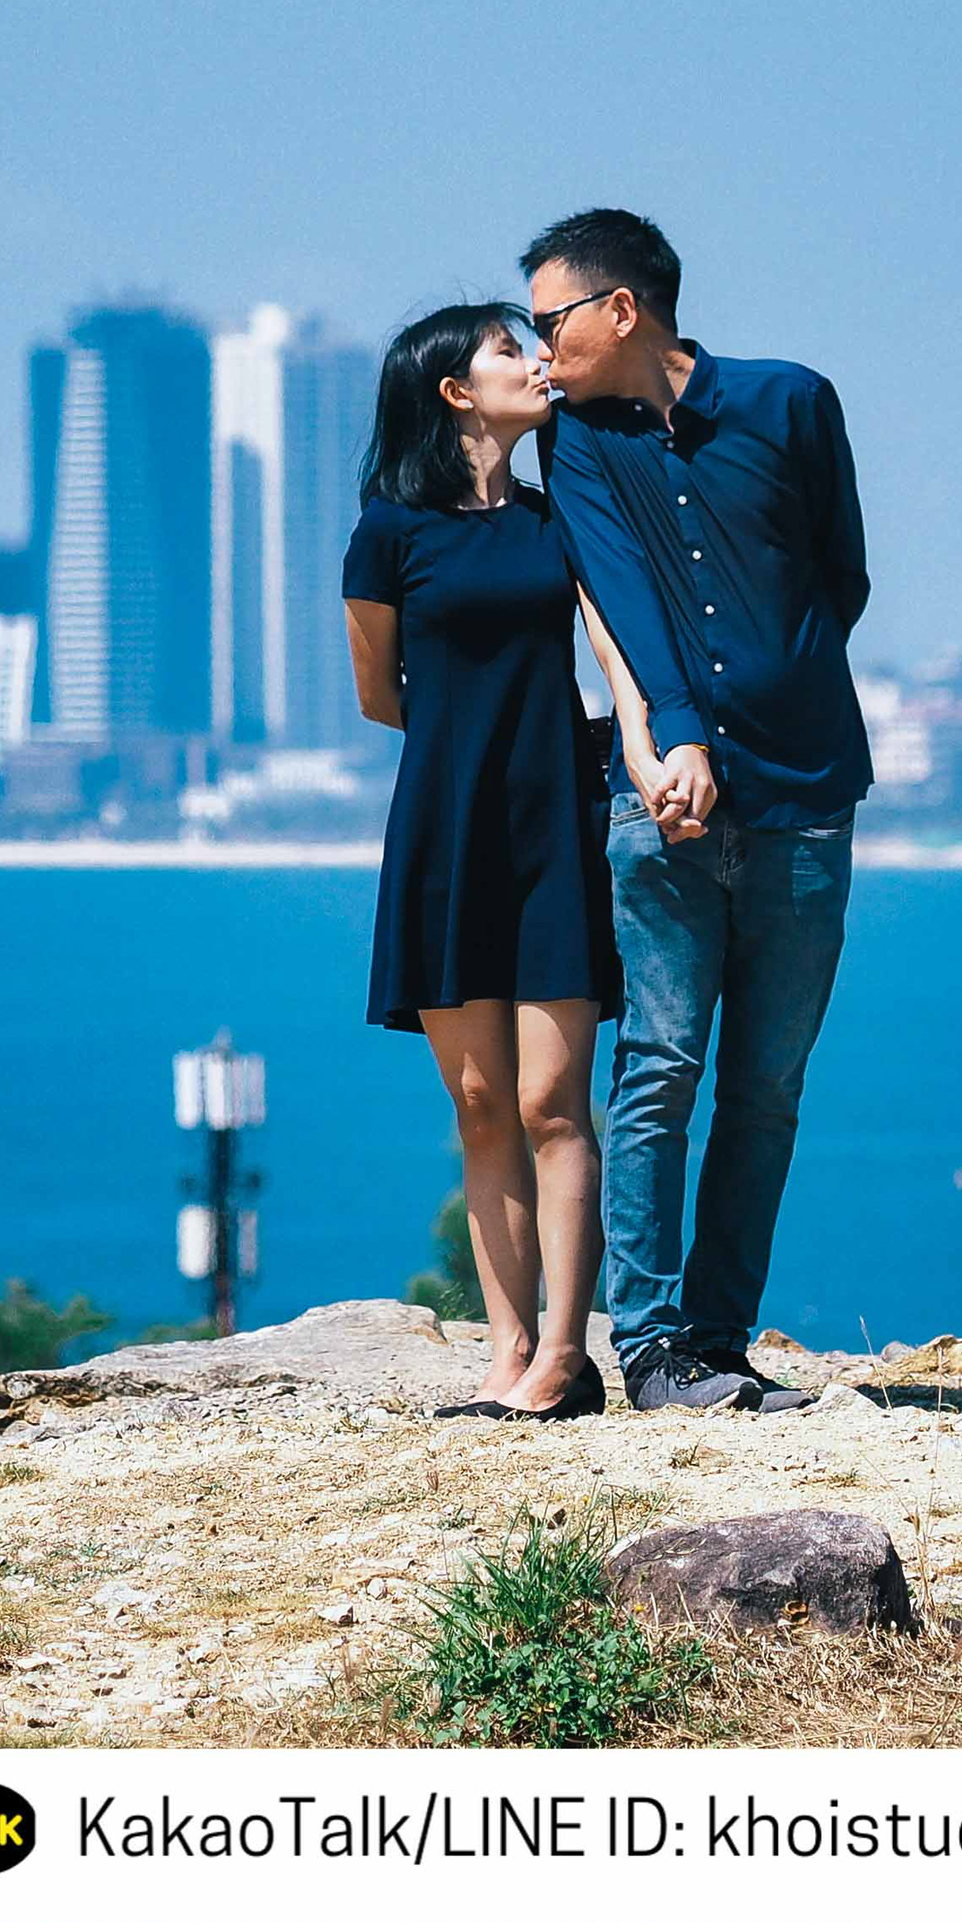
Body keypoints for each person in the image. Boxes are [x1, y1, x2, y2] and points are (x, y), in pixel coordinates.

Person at [525, 209, 869, 1414]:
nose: (537, 346)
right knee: (660, 1067)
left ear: (623, 310)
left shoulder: (792, 404)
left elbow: (842, 578)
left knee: (767, 1087)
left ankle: (722, 1342)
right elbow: (614, 593)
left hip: (810, 800)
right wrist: (678, 739)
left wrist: (774, 704)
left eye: (549, 319)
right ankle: (654, 1345)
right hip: (662, 806)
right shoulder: (575, 444)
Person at [342, 301, 622, 1422]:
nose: (536, 361)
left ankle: (565, 1353)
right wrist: (473, 750)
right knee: (477, 1100)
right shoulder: (387, 530)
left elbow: (608, 649)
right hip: (447, 827)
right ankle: (505, 1351)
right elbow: (379, 693)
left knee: (556, 1098)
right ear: (456, 390)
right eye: (511, 350)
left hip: (555, 820)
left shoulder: (561, 519)